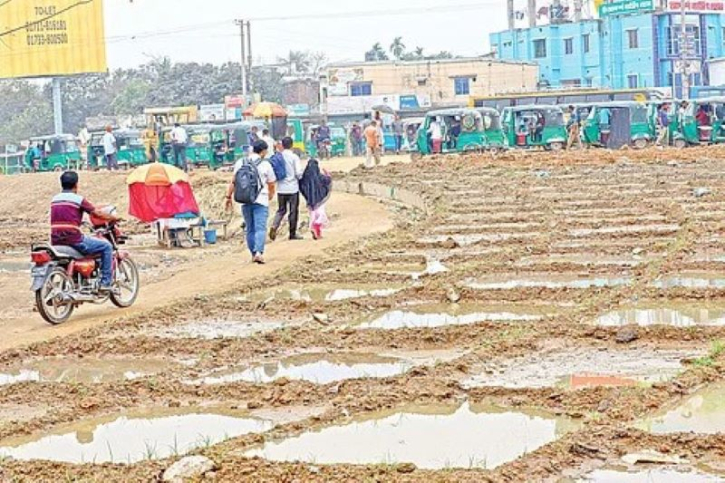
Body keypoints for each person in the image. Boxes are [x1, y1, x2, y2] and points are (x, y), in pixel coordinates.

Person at [51, 171, 120, 293]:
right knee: (106, 247)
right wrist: (113, 218)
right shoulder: (79, 199)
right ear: (76, 185)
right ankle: (105, 283)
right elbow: (96, 213)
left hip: (56, 240)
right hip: (73, 239)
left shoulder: (55, 199)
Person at [226, 140, 276, 264]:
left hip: (244, 199)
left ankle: (253, 253)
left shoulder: (240, 162)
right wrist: (270, 195)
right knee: (260, 228)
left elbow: (233, 181)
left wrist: (228, 197)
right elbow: (271, 183)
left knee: (250, 228)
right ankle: (259, 252)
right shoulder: (266, 164)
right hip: (261, 199)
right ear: (263, 151)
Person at [270, 137, 304, 242]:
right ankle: (292, 233)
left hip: (281, 189)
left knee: (281, 210)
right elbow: (298, 173)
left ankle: (274, 225)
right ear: (292, 145)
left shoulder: (278, 157)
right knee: (293, 211)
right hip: (292, 188)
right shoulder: (294, 157)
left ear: (282, 145)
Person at [300, 158, 332, 240]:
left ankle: (316, 232)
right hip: (320, 200)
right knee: (320, 215)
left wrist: (307, 195)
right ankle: (316, 228)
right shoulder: (319, 176)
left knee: (313, 215)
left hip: (310, 201)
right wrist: (327, 174)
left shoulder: (304, 178)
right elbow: (328, 181)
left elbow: (301, 185)